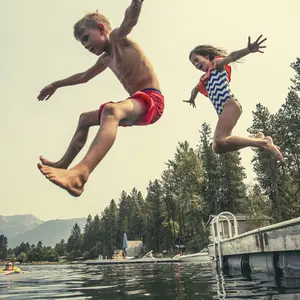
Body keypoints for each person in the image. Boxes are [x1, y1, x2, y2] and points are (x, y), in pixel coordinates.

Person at [37, 0, 164, 197]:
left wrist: (137, 2)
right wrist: (56, 84)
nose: (86, 45)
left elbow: (129, 20)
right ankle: (64, 165)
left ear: (102, 28)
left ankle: (80, 175)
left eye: (87, 38)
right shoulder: (106, 58)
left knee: (111, 110)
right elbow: (83, 77)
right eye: (82, 43)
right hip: (136, 104)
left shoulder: (117, 39)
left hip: (152, 101)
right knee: (84, 119)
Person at [183, 35, 282, 161]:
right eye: (193, 64)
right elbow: (195, 89)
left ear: (206, 57)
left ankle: (264, 143)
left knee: (219, 140)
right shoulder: (204, 80)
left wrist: (248, 50)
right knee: (218, 147)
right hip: (223, 111)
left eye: (197, 60)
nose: (196, 64)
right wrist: (192, 98)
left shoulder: (216, 65)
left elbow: (231, 57)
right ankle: (256, 139)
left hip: (229, 104)